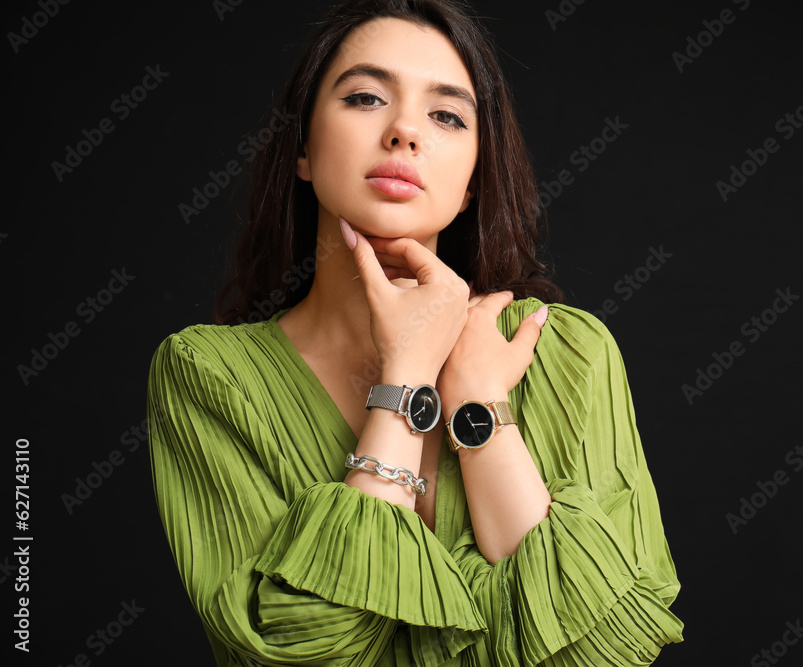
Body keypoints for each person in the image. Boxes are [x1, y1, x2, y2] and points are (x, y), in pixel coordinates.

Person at [146, 0, 683, 664]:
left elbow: (606, 649)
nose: (404, 131)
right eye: (367, 98)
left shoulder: (568, 351)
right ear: (304, 148)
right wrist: (404, 382)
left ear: (470, 185)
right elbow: (296, 653)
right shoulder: (207, 374)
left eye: (447, 115)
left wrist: (481, 400)